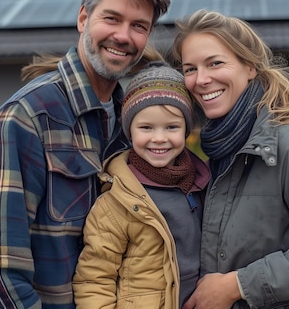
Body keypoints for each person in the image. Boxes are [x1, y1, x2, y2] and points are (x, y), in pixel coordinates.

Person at [0, 0, 170, 309]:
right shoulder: (25, 120)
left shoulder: (132, 125)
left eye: (139, 25)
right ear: (82, 19)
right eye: (112, 18)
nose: (123, 36)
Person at [171, 9, 289, 309]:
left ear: (249, 67)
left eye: (215, 63)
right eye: (189, 69)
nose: (201, 80)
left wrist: (237, 286)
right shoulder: (222, 150)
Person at [73, 61, 210, 309]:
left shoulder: (202, 184)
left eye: (171, 127)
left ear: (187, 129)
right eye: (146, 127)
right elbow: (94, 280)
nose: (159, 138)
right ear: (130, 132)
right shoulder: (117, 201)